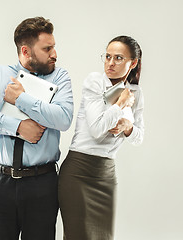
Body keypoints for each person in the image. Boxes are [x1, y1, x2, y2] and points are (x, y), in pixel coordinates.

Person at [0, 17, 73, 240]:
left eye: (54, 46)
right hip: (0, 183)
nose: (55, 53)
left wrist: (21, 99)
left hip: (42, 184)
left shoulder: (60, 77)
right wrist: (17, 127)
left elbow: (63, 119)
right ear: (26, 51)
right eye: (47, 48)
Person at [58, 35, 144, 240]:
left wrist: (127, 126)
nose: (110, 63)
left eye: (118, 58)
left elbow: (139, 137)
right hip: (78, 171)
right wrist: (120, 105)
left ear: (133, 63)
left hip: (106, 175)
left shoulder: (136, 92)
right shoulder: (95, 82)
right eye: (107, 57)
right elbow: (97, 129)